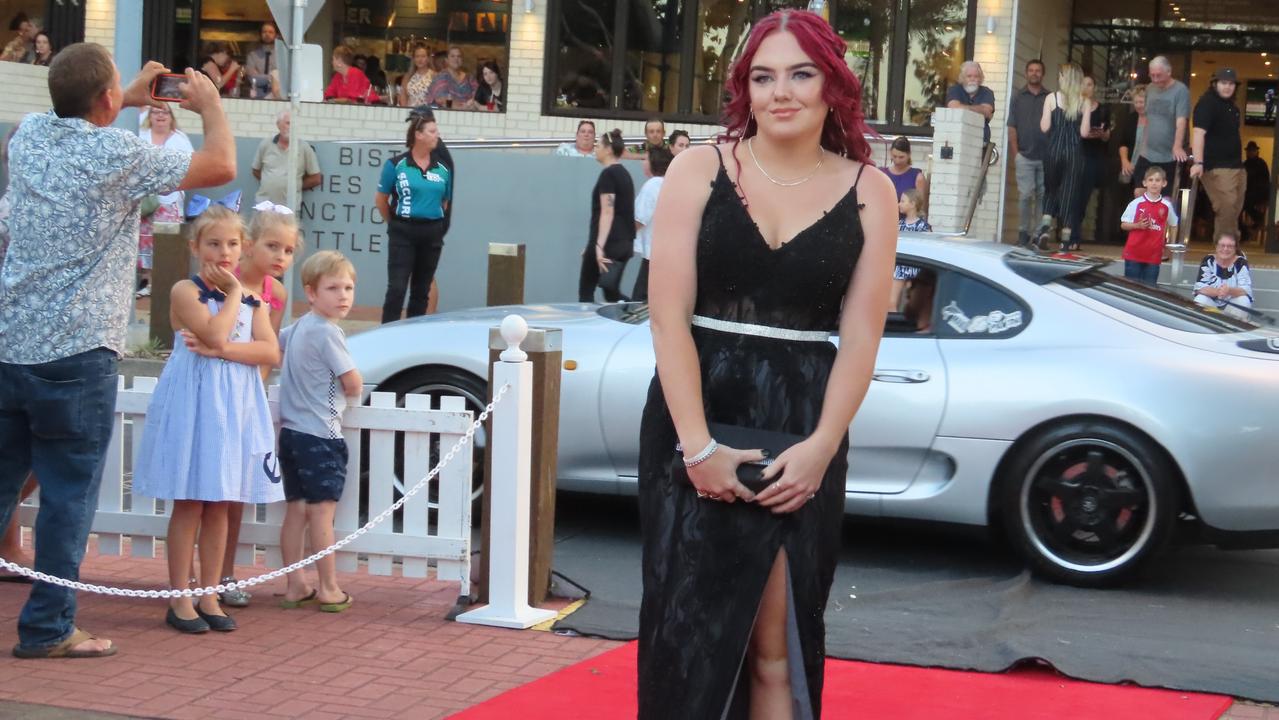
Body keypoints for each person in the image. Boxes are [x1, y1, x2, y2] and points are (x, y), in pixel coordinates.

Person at [638, 9, 896, 717]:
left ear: (831, 85)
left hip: (801, 431)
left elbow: (863, 339)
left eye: (800, 73)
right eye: (762, 76)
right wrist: (697, 448)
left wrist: (820, 448)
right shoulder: (697, 169)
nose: (781, 92)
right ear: (744, 90)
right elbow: (666, 321)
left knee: (777, 648)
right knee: (686, 638)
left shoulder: (870, 190)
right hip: (692, 421)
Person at [0, 44, 235, 658]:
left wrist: (122, 95)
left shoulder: (28, 137)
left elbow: (73, 109)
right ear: (107, 102)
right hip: (77, 355)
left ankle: (48, 623)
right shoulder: (116, 151)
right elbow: (218, 166)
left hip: (12, 344)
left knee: (2, 483)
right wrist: (210, 106)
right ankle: (48, 628)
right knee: (66, 497)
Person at [133, 206, 281, 634]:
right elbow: (215, 331)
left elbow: (269, 352)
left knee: (220, 501)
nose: (224, 252)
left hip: (233, 403)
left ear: (244, 247)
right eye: (213, 243)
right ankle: (180, 595)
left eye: (232, 244)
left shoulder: (255, 303)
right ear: (196, 246)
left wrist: (224, 350)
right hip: (196, 402)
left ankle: (210, 592)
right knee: (191, 500)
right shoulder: (186, 290)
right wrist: (234, 296)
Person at [215, 203, 300, 609]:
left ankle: (224, 574)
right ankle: (197, 577)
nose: (281, 257)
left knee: (235, 495)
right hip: (214, 393)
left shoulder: (276, 293)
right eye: (272, 246)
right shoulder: (222, 281)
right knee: (204, 494)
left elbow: (269, 352)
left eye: (288, 250)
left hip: (248, 395)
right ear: (248, 245)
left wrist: (252, 389)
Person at [277, 251, 362, 613]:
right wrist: (355, 391)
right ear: (311, 293)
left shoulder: (295, 328)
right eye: (332, 288)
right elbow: (352, 382)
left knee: (295, 510)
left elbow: (273, 346)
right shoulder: (329, 333)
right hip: (322, 435)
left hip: (292, 433)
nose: (343, 295)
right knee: (322, 514)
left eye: (348, 287)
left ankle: (296, 584)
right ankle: (328, 587)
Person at [375, 108, 452, 323]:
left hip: (432, 231)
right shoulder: (396, 165)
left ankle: (413, 333)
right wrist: (395, 223)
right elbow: (381, 200)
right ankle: (388, 331)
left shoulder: (443, 169)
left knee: (422, 288)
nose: (437, 135)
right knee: (397, 287)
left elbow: (444, 201)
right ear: (419, 135)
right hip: (403, 230)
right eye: (432, 131)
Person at [137, 104, 195, 297]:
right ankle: (148, 280)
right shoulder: (140, 135)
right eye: (156, 112)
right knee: (145, 241)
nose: (160, 115)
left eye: (165, 112)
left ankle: (162, 283)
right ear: (149, 116)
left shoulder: (180, 139)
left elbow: (190, 167)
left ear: (171, 117)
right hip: (145, 200)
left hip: (169, 201)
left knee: (166, 243)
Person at [1036, 63, 1092, 251]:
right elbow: (1084, 133)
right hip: (1075, 152)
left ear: (1063, 77)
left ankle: (1044, 229)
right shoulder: (1085, 102)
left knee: (1051, 189)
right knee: (1069, 194)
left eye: (1060, 75)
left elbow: (1044, 127)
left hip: (1053, 150)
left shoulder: (1051, 98)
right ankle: (1066, 240)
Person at [578, 128, 634, 303]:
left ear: (609, 149)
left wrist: (598, 246)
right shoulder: (624, 174)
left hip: (607, 244)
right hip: (623, 243)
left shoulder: (608, 174)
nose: (596, 148)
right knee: (611, 294)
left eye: (599, 145)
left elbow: (607, 211)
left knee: (586, 292)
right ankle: (635, 311)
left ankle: (641, 311)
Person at [1191, 68, 1245, 243]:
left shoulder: (1232, 107)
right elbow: (1198, 133)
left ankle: (1228, 252)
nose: (1227, 87)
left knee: (1233, 210)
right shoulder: (1207, 103)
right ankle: (1226, 252)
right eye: (1223, 83)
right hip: (1216, 166)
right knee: (1227, 208)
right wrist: (1198, 162)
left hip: (1236, 166)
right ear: (1215, 84)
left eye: (1231, 84)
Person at [1008, 59, 1051, 247]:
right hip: (1024, 155)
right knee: (1025, 195)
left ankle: (1040, 234)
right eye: (1031, 70)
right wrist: (1016, 152)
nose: (1034, 73)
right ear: (1026, 74)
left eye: (1038, 71)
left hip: (1045, 156)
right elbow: (1012, 126)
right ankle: (1023, 232)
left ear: (1043, 74)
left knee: (1043, 195)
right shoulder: (1018, 97)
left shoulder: (1050, 97)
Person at [1135, 56, 1189, 196]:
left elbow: (1181, 121)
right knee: (1139, 193)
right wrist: (1142, 146)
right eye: (1152, 75)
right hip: (1147, 153)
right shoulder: (1150, 88)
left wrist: (1177, 146)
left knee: (1165, 200)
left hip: (1168, 156)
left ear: (1169, 72)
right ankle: (1143, 219)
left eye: (1158, 75)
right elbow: (1146, 118)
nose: (1155, 79)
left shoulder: (1180, 90)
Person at [1120, 165, 1177, 286]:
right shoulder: (1136, 203)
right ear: (1144, 183)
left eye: (1157, 180)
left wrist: (1169, 246)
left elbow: (1174, 224)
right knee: (1131, 289)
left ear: (1164, 183)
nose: (1154, 183)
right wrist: (1138, 225)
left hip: (1154, 256)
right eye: (1150, 180)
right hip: (1134, 254)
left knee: (1150, 291)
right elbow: (1123, 224)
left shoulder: (1167, 205)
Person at [252, 109, 323, 207]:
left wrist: (295, 186)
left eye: (294, 124)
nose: (291, 127)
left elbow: (316, 178)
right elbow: (255, 170)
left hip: (290, 208)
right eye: (288, 123)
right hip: (264, 205)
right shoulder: (265, 144)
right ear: (278, 125)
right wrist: (270, 181)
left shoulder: (304, 147)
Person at [632, 146, 673, 302]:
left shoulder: (652, 185)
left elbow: (639, 218)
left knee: (640, 299)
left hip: (653, 252)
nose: (643, 163)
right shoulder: (669, 183)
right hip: (667, 252)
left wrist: (620, 240)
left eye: (645, 159)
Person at [1074, 74, 1111, 245]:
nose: (1086, 88)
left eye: (1089, 84)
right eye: (1083, 84)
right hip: (1074, 155)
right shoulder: (1073, 108)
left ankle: (1075, 235)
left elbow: (1107, 135)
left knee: (1083, 198)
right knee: (1071, 196)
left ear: (1094, 87)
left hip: (1091, 157)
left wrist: (1102, 134)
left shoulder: (1102, 109)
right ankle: (1069, 235)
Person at [1193, 233, 1252, 319]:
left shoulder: (1241, 263)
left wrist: (1229, 291)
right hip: (1211, 304)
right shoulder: (1208, 261)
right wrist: (1218, 292)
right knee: (1200, 299)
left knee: (1244, 301)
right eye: (1222, 245)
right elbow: (1200, 288)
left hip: (1232, 305)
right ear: (1216, 246)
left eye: (1230, 246)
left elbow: (1245, 290)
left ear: (1235, 248)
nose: (1225, 249)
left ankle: (1234, 329)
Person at [945, 61, 995, 143]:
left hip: (980, 139)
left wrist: (963, 108)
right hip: (957, 138)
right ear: (962, 78)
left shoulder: (987, 92)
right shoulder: (955, 90)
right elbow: (953, 108)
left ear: (980, 79)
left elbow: (987, 112)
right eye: (969, 76)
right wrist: (978, 109)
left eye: (976, 76)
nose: (972, 79)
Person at [879, 136, 928, 218]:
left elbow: (920, 209)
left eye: (901, 157)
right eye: (894, 156)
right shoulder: (882, 174)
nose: (897, 161)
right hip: (884, 220)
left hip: (907, 226)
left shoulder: (917, 177)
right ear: (890, 153)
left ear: (909, 155)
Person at [1118, 84, 1148, 186]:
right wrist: (1125, 161)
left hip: (1148, 170)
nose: (1138, 105)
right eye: (1136, 102)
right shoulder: (1130, 119)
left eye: (1141, 102)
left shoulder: (1155, 121)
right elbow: (1123, 143)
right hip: (1130, 169)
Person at [1242, 141, 1271, 245]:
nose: (1250, 153)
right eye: (1249, 151)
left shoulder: (1261, 164)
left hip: (1257, 195)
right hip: (1247, 194)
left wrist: (1264, 198)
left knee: (1250, 208)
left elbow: (1265, 182)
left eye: (1252, 151)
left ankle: (1251, 229)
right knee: (1237, 210)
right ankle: (1247, 232)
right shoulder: (1245, 164)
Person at [245, 22, 278, 99]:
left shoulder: (281, 56)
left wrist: (260, 76)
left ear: (276, 35)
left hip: (276, 97)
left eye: (270, 32)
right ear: (260, 34)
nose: (267, 34)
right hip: (257, 96)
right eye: (264, 32)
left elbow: (283, 79)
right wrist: (272, 77)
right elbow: (252, 79)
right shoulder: (252, 55)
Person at [398, 43, 435, 108]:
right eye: (417, 56)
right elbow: (403, 97)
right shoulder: (408, 77)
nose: (420, 59)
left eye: (423, 56)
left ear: (428, 58)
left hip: (427, 113)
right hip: (410, 113)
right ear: (414, 59)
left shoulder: (434, 76)